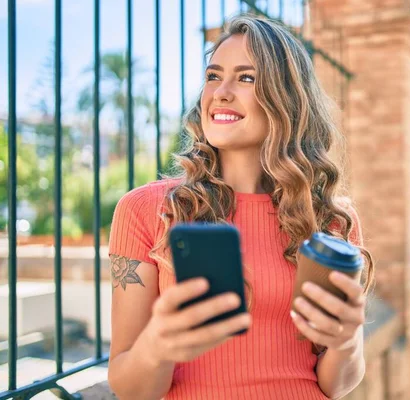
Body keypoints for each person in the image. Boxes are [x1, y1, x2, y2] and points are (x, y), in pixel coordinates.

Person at [107, 15, 374, 400]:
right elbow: (129, 388)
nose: (221, 92)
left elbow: (336, 384)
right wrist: (158, 344)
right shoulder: (145, 210)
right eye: (214, 76)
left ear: (287, 98)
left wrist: (348, 342)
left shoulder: (330, 220)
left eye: (246, 78)